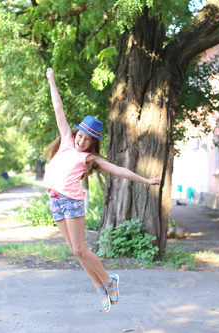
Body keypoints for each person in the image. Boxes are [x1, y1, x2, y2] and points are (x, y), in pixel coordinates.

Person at [42, 68, 161, 312]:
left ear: (92, 142)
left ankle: (110, 281)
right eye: (80, 135)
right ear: (76, 133)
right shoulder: (66, 141)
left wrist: (146, 180)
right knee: (76, 252)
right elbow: (58, 109)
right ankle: (100, 289)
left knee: (79, 248)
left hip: (71, 202)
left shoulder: (89, 158)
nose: (81, 140)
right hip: (55, 200)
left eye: (87, 139)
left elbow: (119, 170)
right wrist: (52, 80)